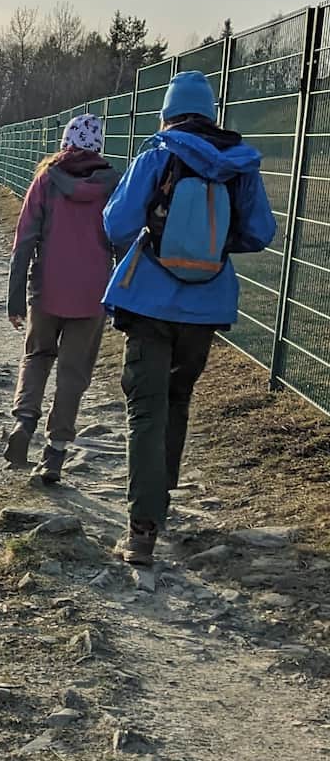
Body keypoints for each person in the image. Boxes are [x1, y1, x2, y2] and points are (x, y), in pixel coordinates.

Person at [101, 70, 276, 565]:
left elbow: (117, 223)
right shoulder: (239, 165)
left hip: (150, 302)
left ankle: (141, 529)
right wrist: (215, 246)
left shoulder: (158, 153)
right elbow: (260, 231)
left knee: (145, 408)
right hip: (207, 306)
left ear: (167, 113)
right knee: (178, 400)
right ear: (211, 113)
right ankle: (162, 505)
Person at [3, 113, 120, 484]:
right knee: (73, 374)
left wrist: (15, 299)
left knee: (37, 356)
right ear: (99, 146)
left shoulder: (46, 180)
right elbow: (125, 240)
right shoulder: (114, 185)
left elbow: (23, 243)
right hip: (92, 294)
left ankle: (24, 420)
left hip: (47, 289)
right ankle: (55, 452)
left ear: (65, 142)